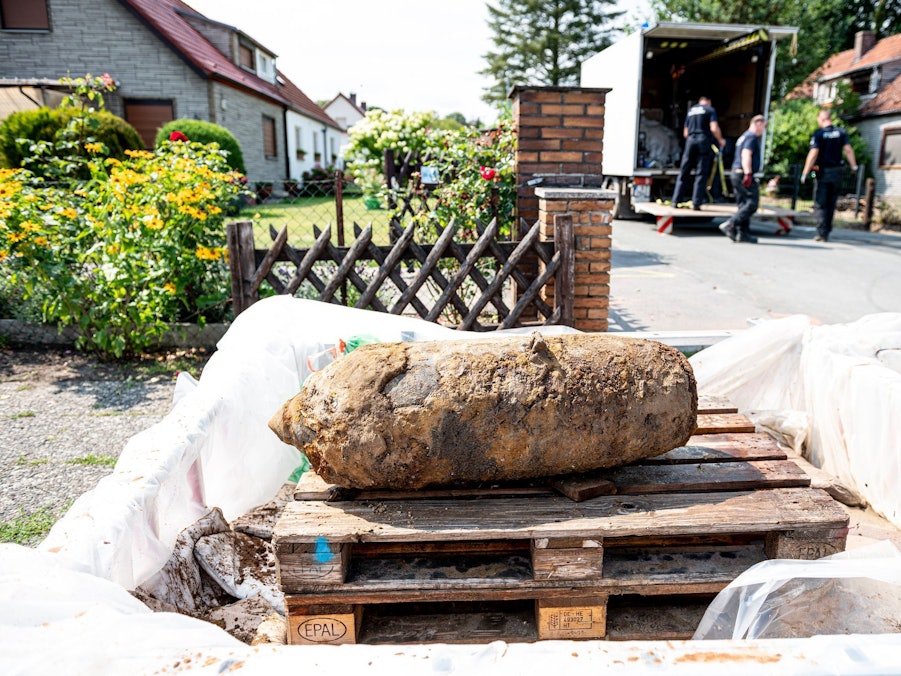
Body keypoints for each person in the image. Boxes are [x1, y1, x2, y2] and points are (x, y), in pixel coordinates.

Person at [801, 108, 858, 242]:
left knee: (820, 203)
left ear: (821, 119)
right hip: (837, 172)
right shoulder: (841, 132)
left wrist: (805, 172)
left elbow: (813, 153)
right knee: (831, 202)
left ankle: (822, 232)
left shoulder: (819, 134)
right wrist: (854, 166)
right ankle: (827, 230)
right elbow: (848, 150)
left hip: (823, 172)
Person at [671, 96, 726, 210]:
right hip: (703, 141)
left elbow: (685, 133)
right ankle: (696, 203)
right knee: (701, 173)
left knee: (684, 171)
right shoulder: (710, 110)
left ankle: (676, 200)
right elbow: (714, 128)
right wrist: (720, 140)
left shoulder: (691, 111)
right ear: (709, 102)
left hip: (690, 141)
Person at [719, 115, 767, 244]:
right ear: (758, 124)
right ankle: (731, 224)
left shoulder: (744, 136)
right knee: (752, 203)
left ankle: (743, 234)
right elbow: (746, 154)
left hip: (736, 173)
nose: (764, 130)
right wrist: (748, 173)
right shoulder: (751, 137)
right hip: (743, 173)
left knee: (743, 204)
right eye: (764, 126)